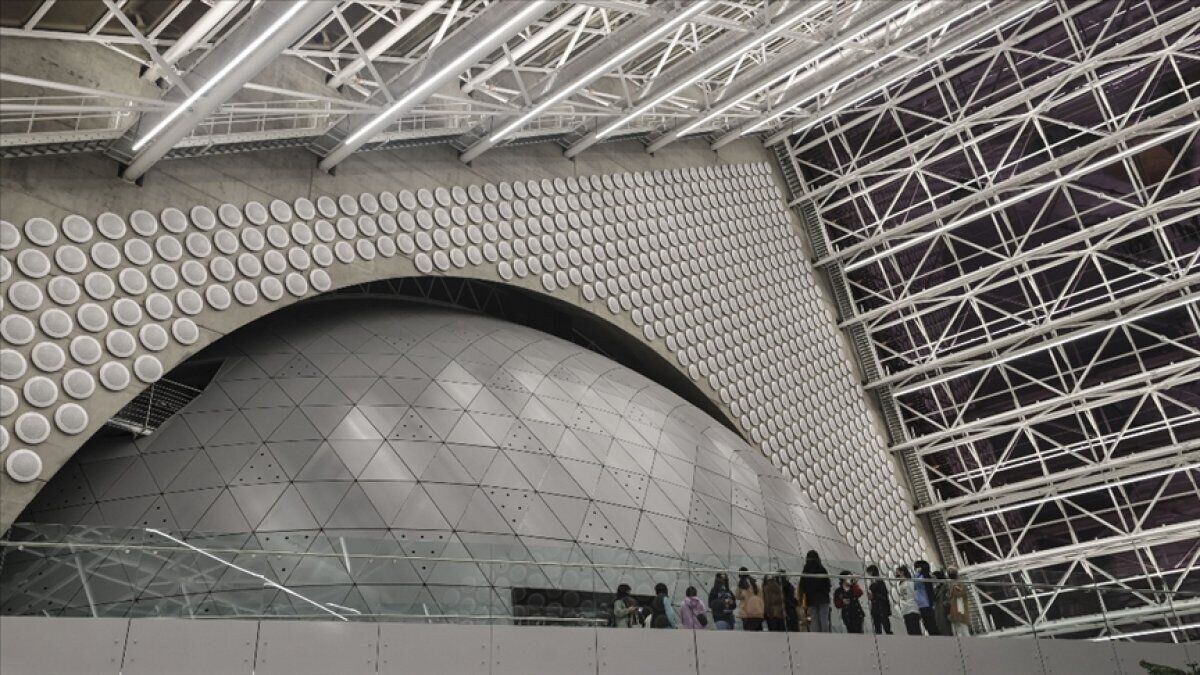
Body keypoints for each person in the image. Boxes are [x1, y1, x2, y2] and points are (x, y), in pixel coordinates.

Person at [801, 550, 832, 632]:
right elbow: (827, 584)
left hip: (811, 599)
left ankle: (816, 637)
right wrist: (825, 592)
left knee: (814, 620)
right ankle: (826, 636)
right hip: (823, 598)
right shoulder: (822, 569)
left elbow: (802, 586)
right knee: (824, 619)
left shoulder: (805, 570)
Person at [914, 560, 939, 635]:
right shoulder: (922, 576)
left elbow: (914, 584)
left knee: (930, 625)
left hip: (925, 604)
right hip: (923, 604)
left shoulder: (923, 577)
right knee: (928, 625)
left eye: (916, 567)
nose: (915, 569)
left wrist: (917, 573)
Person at [894, 565, 921, 636]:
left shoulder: (909, 582)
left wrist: (918, 607)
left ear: (902, 572)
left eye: (897, 572)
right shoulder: (899, 584)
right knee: (910, 632)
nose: (895, 574)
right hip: (905, 611)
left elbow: (915, 594)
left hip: (912, 609)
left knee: (916, 632)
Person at [866, 565, 892, 635]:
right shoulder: (873, 583)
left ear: (872, 572)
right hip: (876, 608)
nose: (868, 574)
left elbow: (883, 596)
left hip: (881, 608)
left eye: (869, 572)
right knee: (878, 628)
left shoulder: (879, 582)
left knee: (886, 628)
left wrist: (873, 596)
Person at [946, 568, 972, 638]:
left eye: (952, 572)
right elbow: (949, 596)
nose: (950, 574)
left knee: (963, 627)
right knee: (958, 628)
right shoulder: (951, 584)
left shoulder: (959, 583)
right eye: (949, 573)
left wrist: (955, 589)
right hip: (954, 608)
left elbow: (960, 594)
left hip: (960, 607)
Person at [933, 570, 951, 636]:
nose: (933, 580)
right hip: (939, 611)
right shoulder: (936, 588)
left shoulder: (945, 586)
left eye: (934, 577)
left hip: (945, 610)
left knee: (947, 627)